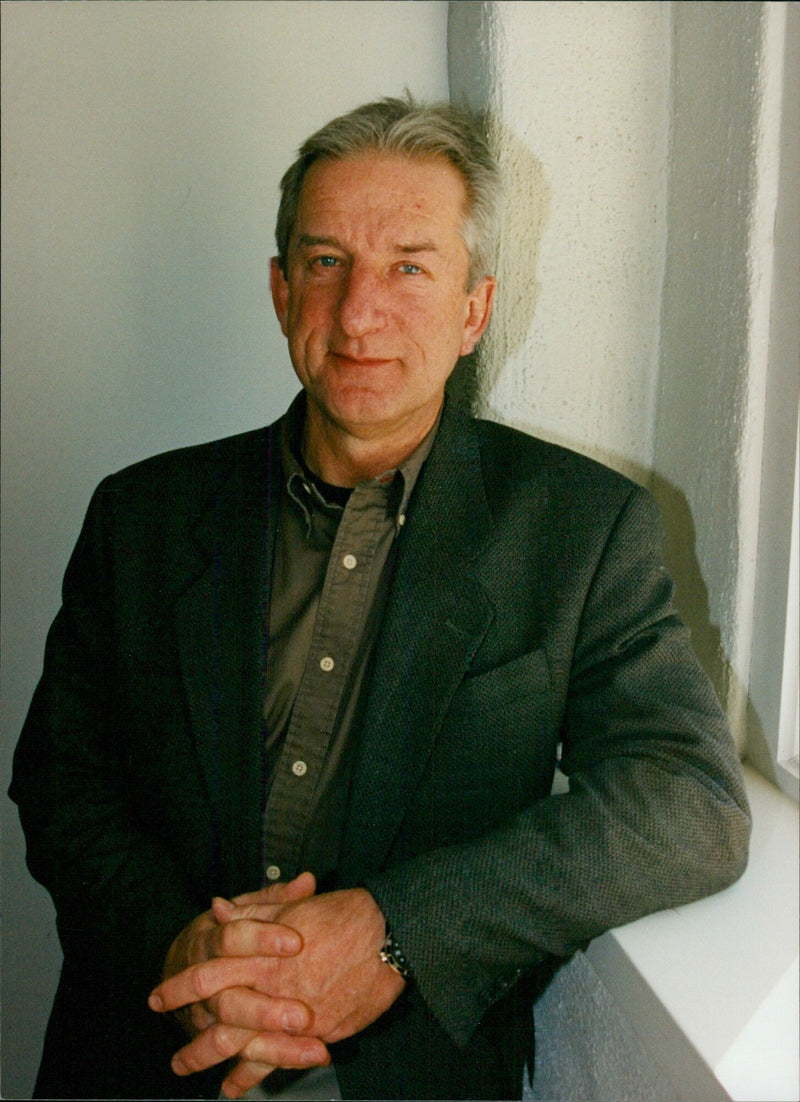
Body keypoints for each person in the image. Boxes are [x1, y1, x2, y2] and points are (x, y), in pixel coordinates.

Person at [10, 95, 751, 1102]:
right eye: (324, 263)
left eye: (408, 265)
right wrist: (180, 947)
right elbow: (62, 786)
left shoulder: (581, 531)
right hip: (147, 1058)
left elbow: (689, 804)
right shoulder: (139, 516)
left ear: (474, 308)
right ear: (280, 292)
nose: (358, 312)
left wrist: (399, 930)